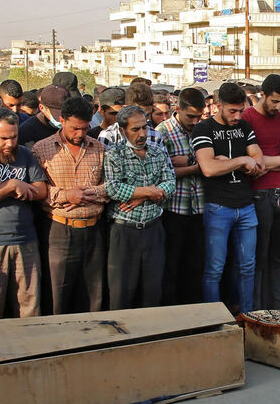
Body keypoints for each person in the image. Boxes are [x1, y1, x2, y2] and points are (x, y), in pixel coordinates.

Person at [192, 82, 264, 313]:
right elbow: (209, 168)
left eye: (240, 110)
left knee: (247, 267)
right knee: (214, 269)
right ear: (218, 105)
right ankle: (214, 321)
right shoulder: (203, 129)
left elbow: (259, 163)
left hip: (245, 206)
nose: (237, 116)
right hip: (218, 207)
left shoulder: (244, 126)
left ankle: (247, 317)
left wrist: (230, 162)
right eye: (232, 110)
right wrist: (243, 161)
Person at [0, 108, 47, 319]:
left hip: (26, 241)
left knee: (29, 307)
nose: (10, 144)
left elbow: (41, 190)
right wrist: (11, 186)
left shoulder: (25, 154)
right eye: (3, 138)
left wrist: (4, 189)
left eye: (14, 137)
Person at [33, 96, 109, 315]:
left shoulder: (99, 149)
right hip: (60, 230)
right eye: (75, 128)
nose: (80, 134)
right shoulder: (42, 150)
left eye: (85, 129)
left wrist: (91, 193)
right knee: (58, 293)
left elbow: (109, 187)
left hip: (94, 229)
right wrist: (67, 195)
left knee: (93, 294)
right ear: (61, 120)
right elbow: (39, 190)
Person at [103, 105, 175, 310]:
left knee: (152, 292)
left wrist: (140, 196)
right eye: (135, 129)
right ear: (123, 130)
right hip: (124, 231)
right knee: (121, 293)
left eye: (144, 128)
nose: (142, 134)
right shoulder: (114, 155)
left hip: (153, 229)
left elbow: (170, 184)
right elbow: (113, 189)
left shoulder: (158, 152)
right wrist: (149, 192)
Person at [242, 74, 280, 310]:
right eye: (274, 101)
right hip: (259, 194)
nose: (278, 107)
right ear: (263, 95)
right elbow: (254, 162)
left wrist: (269, 162)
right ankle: (259, 311)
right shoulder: (247, 117)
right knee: (260, 258)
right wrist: (278, 161)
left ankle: (279, 310)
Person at [155, 89, 205, 305]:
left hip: (199, 208)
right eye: (190, 117)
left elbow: (212, 163)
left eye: (198, 117)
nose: (194, 122)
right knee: (171, 266)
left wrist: (189, 162)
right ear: (178, 110)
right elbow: (162, 173)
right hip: (173, 210)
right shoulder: (162, 132)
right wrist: (199, 165)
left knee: (195, 266)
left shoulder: (203, 130)